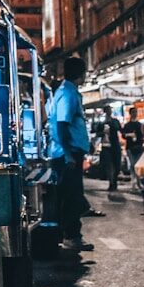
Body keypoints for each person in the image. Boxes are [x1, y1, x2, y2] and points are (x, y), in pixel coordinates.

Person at [48, 56, 94, 251]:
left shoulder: (67, 91)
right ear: (80, 74)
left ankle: (65, 235)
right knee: (71, 196)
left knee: (69, 195)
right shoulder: (68, 93)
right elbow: (62, 124)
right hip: (68, 154)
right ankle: (72, 236)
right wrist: (68, 154)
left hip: (68, 152)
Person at [103, 105, 124, 193]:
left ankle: (114, 181)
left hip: (115, 145)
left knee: (117, 165)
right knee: (109, 165)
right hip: (106, 146)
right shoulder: (102, 122)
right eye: (108, 110)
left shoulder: (115, 121)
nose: (109, 112)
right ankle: (111, 183)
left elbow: (121, 130)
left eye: (110, 110)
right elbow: (96, 132)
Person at [123, 106, 144, 189]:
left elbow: (143, 135)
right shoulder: (127, 125)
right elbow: (123, 135)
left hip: (139, 147)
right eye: (133, 112)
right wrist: (129, 135)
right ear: (130, 114)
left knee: (137, 165)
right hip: (130, 147)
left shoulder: (140, 125)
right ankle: (134, 181)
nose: (135, 114)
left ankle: (138, 181)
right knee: (133, 164)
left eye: (136, 112)